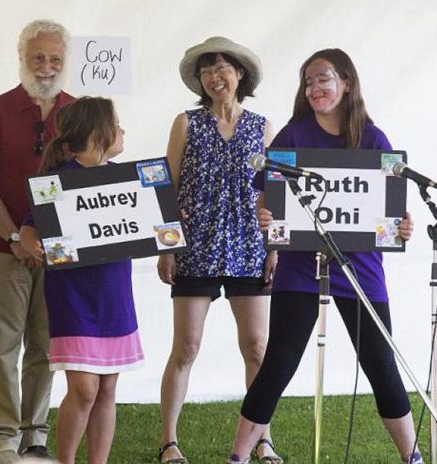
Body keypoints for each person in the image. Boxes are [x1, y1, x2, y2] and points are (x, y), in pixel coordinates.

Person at [227, 49, 420, 464]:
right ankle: (239, 457)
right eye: (308, 82)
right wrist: (265, 214)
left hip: (360, 269)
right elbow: (267, 198)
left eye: (323, 79)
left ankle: (412, 455)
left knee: (381, 366)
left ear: (346, 83)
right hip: (299, 267)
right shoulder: (293, 136)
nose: (314, 89)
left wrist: (401, 224)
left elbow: (389, 210)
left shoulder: (373, 138)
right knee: (278, 363)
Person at [156, 37, 280, 464]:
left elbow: (273, 195)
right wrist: (166, 247)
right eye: (206, 71)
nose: (214, 77)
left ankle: (263, 439)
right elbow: (166, 187)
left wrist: (274, 248)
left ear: (240, 74)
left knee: (258, 348)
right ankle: (168, 441)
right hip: (196, 249)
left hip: (249, 247)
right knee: (186, 347)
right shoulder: (186, 123)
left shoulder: (262, 126)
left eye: (222, 68)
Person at [0, 19, 74, 463]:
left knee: (47, 346)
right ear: (22, 59)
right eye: (38, 57)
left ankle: (35, 433)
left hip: (60, 253)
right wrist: (15, 236)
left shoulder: (77, 111)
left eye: (54, 59)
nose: (46, 66)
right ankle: (2, 437)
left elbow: (94, 175)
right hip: (2, 247)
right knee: (4, 345)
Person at [19, 96, 143, 464]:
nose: (122, 131)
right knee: (85, 388)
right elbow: (28, 229)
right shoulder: (55, 183)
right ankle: (67, 460)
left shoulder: (128, 180)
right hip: (72, 297)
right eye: (117, 124)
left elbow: (150, 223)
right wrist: (31, 244)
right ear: (97, 132)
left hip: (114, 296)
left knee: (107, 389)